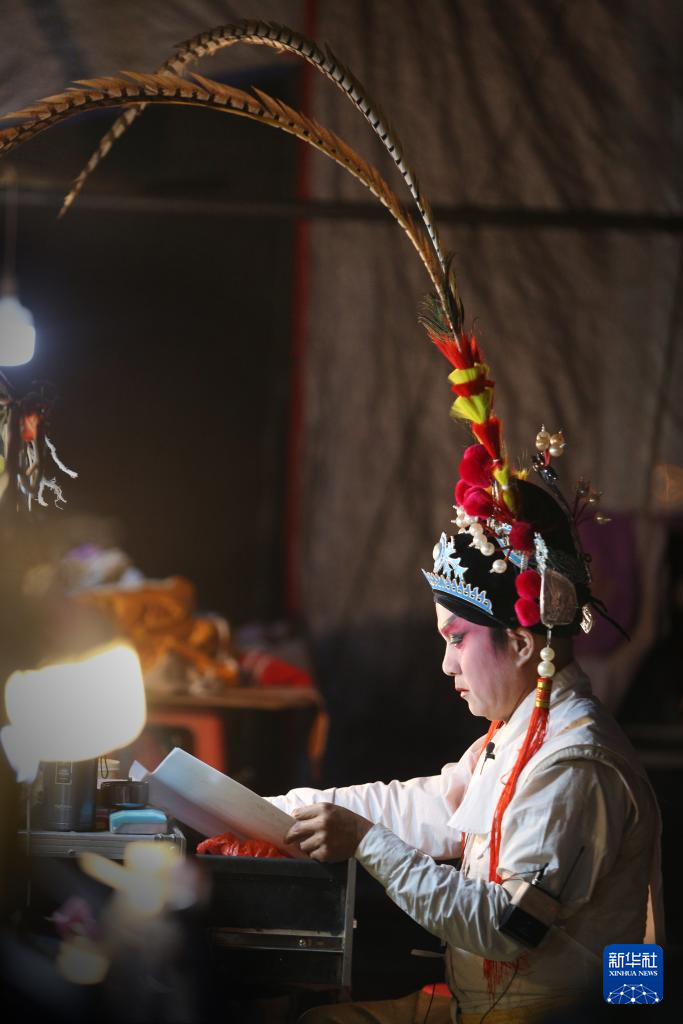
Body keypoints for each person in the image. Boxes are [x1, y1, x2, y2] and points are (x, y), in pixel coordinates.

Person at [267, 465, 664, 1024]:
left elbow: (507, 926)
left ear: (521, 643)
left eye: (457, 639)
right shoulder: (524, 731)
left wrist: (366, 842)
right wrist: (276, 809)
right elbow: (427, 804)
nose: (446, 664)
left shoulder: (576, 763)